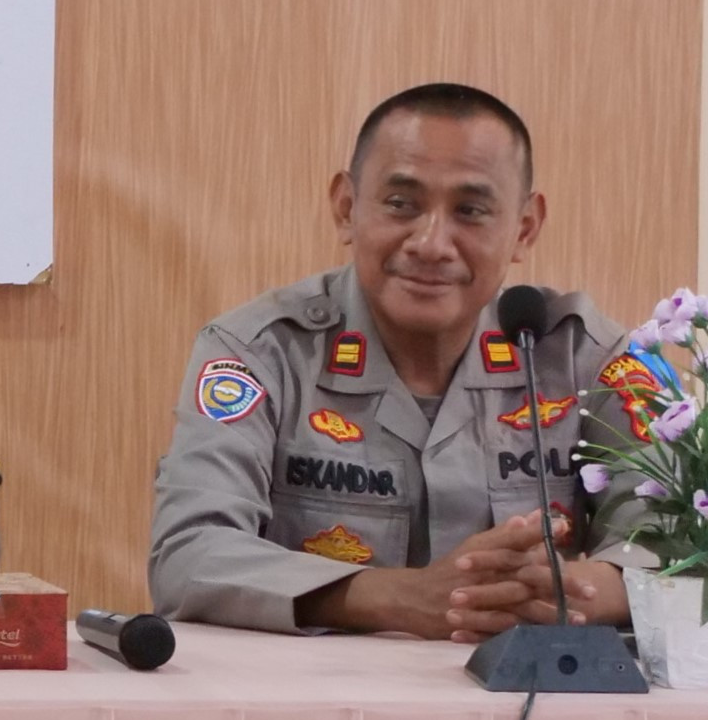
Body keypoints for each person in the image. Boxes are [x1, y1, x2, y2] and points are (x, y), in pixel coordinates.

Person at [149, 82, 643, 637]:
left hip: (530, 704)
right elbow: (189, 554)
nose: (432, 243)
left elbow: (693, 550)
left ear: (524, 228)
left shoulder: (585, 360)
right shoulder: (259, 352)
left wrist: (559, 593)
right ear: (346, 208)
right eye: (401, 204)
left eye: (471, 211)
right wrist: (398, 598)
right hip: (316, 710)